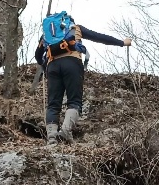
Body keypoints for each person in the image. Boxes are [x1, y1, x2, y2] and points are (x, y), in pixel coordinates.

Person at [34, 12, 132, 144]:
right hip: (72, 63)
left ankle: (51, 139)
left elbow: (38, 55)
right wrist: (122, 43)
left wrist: (45, 65)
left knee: (53, 104)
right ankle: (65, 131)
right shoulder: (76, 28)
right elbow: (98, 37)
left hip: (53, 66)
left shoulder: (46, 35)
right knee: (74, 101)